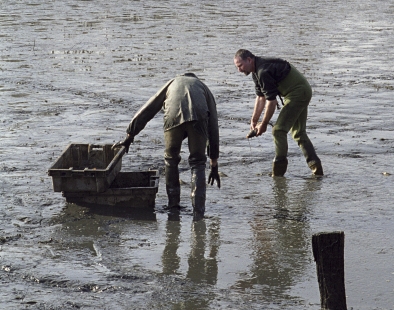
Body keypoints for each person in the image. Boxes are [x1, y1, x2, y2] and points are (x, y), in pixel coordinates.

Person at [119, 73, 220, 217]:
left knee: (171, 160)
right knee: (198, 163)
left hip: (173, 115)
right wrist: (214, 162)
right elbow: (213, 126)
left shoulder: (172, 83)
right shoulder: (204, 88)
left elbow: (149, 108)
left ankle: (173, 206)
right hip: (198, 117)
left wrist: (130, 135)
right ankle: (198, 212)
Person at [234, 49, 323, 178]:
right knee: (298, 132)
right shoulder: (256, 73)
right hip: (301, 91)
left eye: (240, 66)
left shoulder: (263, 71)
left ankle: (278, 172)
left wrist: (263, 124)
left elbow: (271, 101)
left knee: (278, 130)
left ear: (249, 60)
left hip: (297, 94)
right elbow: (260, 98)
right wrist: (254, 120)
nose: (239, 70)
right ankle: (316, 168)